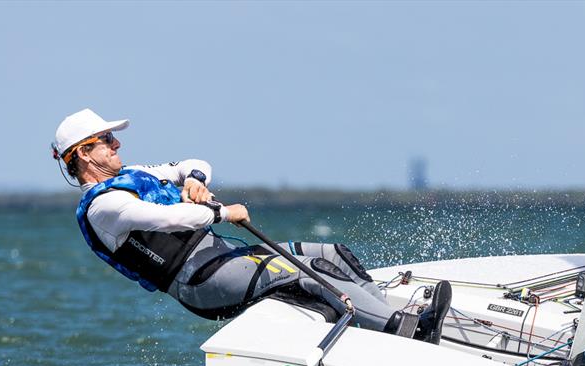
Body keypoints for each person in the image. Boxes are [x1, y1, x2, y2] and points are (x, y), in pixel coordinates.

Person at [53, 108, 451, 343]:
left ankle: (381, 319)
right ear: (85, 155)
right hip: (201, 282)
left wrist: (195, 180)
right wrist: (223, 214)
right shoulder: (102, 208)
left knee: (331, 255)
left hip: (225, 258)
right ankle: (405, 333)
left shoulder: (135, 173)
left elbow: (193, 163)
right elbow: (166, 218)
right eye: (107, 139)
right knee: (305, 274)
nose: (117, 144)